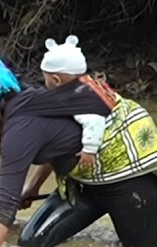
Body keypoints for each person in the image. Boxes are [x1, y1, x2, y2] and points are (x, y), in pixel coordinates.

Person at [0, 51, 157, 247]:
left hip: (127, 183)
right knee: (31, 244)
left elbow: (5, 207)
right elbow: (55, 146)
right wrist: (31, 188)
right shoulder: (21, 107)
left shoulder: (19, 127)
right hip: (81, 184)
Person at [39, 35, 114, 170]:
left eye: (46, 78)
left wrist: (89, 150)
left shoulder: (77, 99)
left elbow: (94, 121)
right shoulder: (90, 85)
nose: (45, 83)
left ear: (56, 80)